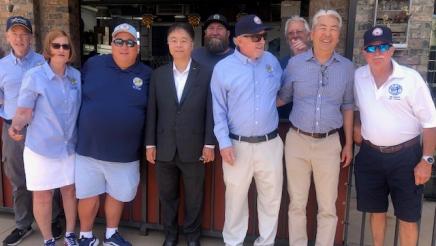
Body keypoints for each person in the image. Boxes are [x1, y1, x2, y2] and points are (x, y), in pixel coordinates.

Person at [277, 9, 354, 246]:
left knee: (327, 206)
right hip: (297, 141)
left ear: (338, 35)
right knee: (297, 203)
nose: (327, 34)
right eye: (322, 27)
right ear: (313, 33)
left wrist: (349, 143)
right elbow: (283, 97)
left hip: (330, 143)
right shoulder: (295, 64)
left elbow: (348, 105)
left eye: (333, 29)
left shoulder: (347, 68)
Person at [353, 26, 436, 246]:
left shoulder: (411, 79)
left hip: (406, 157)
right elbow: (356, 108)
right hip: (371, 155)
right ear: (364, 52)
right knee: (376, 212)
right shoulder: (358, 77)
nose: (377, 52)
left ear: (392, 50)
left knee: (408, 217)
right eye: (371, 47)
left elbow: (430, 123)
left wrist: (426, 160)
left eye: (383, 47)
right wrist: (357, 125)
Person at [75, 23, 151, 246]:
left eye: (130, 42)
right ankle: (86, 236)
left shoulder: (147, 74)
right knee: (88, 195)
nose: (124, 46)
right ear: (111, 44)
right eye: (119, 41)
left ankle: (111, 234)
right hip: (89, 149)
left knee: (117, 195)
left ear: (137, 48)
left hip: (125, 152)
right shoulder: (93, 65)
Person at [211, 15, 283, 246]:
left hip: (270, 144)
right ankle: (233, 243)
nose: (261, 41)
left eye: (263, 36)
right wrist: (223, 143)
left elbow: (281, 94)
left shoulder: (271, 61)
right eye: (255, 37)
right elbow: (218, 110)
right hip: (237, 145)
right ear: (239, 41)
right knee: (235, 200)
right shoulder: (223, 69)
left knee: (271, 199)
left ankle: (266, 243)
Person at [8, 29, 80, 246]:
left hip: (69, 147)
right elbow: (24, 111)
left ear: (70, 51)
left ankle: (69, 234)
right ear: (48, 49)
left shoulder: (76, 76)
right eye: (56, 46)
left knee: (69, 191)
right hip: (41, 148)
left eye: (65, 46)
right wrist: (16, 127)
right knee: (43, 196)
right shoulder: (35, 75)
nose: (61, 50)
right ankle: (48, 239)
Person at [145, 22, 215, 246]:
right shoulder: (158, 75)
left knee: (194, 199)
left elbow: (211, 110)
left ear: (192, 44)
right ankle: (170, 237)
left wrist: (209, 144)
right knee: (168, 198)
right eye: (174, 40)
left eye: (183, 40)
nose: (178, 44)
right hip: (165, 147)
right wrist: (150, 144)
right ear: (167, 44)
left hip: (194, 148)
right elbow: (152, 111)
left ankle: (193, 238)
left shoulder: (206, 74)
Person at [0, 16, 63, 246]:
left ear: (31, 37)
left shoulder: (43, 63)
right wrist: (9, 122)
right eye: (14, 33)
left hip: (40, 131)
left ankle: (54, 219)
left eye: (24, 33)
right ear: (7, 36)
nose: (19, 38)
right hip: (13, 133)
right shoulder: (1, 67)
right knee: (18, 180)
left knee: (48, 179)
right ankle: (22, 225)